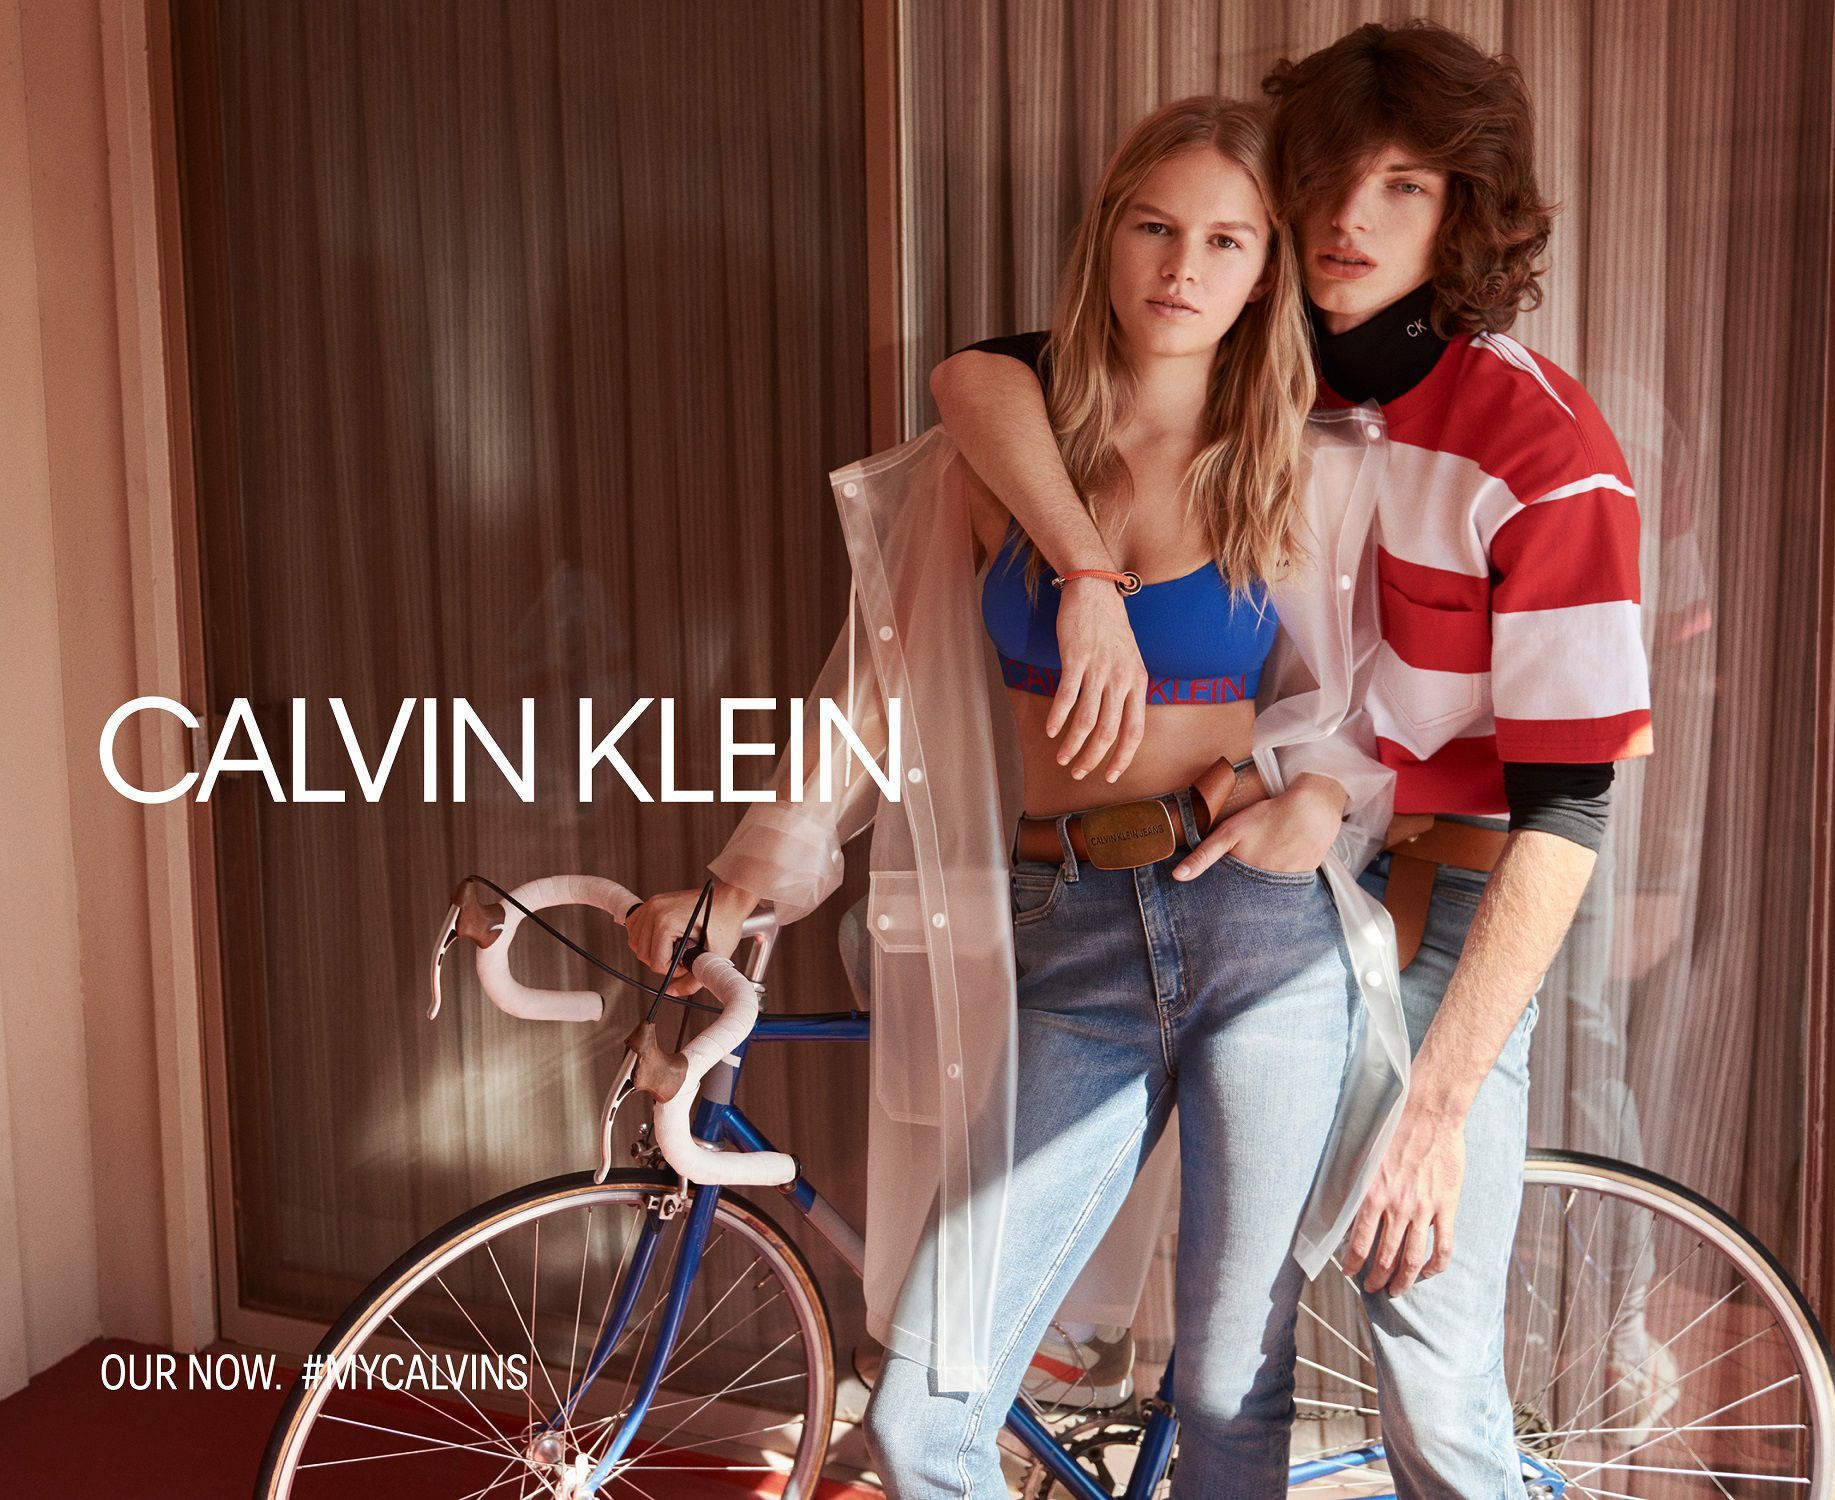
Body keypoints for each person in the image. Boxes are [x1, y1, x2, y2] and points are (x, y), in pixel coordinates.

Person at [627, 96, 1409, 1498]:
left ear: (1266, 273)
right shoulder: (997, 462)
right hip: (1068, 925)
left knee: (1229, 1394)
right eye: (1154, 227)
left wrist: (1325, 799)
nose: (1183, 266)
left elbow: (1385, 705)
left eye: (1226, 241)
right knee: (925, 1419)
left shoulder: (1308, 465)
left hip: (1257, 929)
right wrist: (739, 890)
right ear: (1105, 238)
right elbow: (871, 692)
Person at [929, 21, 1652, 1498]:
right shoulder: (1266, 363)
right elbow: (995, 372)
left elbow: (1570, 808)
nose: (1349, 222)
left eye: (1406, 188)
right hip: (1258, 878)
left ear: (1464, 215)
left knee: (1425, 1357)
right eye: (1327, 179)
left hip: (1449, 894)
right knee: (1220, 1358)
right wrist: (1087, 577)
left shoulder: (1544, 449)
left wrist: (1436, 1111)